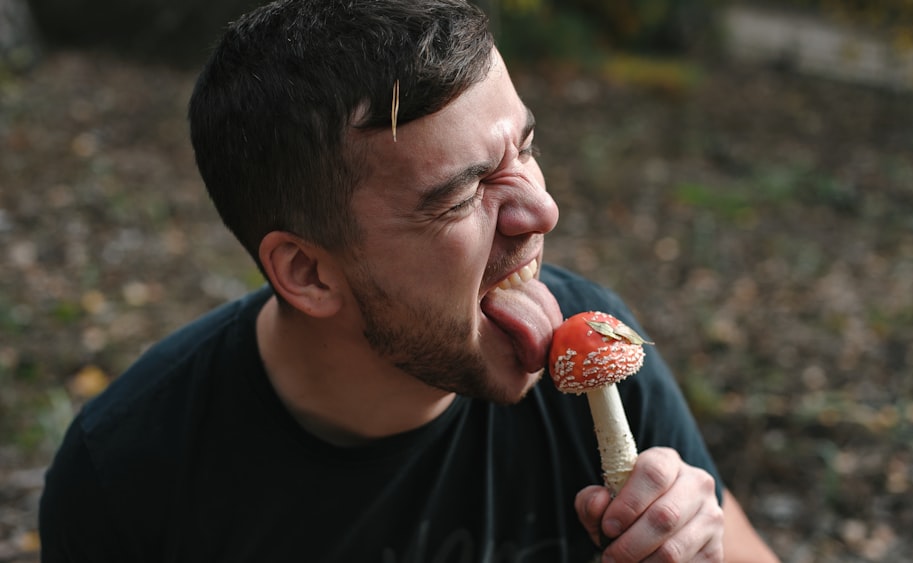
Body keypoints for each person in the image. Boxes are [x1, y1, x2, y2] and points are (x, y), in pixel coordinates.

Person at [39, 0, 779, 561]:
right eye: (462, 193)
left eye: (526, 146)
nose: (541, 209)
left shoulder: (594, 360)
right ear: (306, 271)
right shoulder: (132, 475)